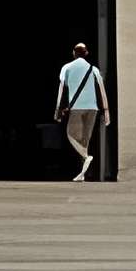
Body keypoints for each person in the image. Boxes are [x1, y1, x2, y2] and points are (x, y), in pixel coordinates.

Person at [55, 41, 109, 178]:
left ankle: (86, 157)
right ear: (86, 53)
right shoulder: (93, 69)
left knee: (71, 135)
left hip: (77, 108)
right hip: (93, 109)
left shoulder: (67, 67)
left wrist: (58, 110)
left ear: (74, 53)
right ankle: (83, 173)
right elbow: (102, 91)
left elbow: (62, 90)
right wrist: (106, 111)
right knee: (85, 140)